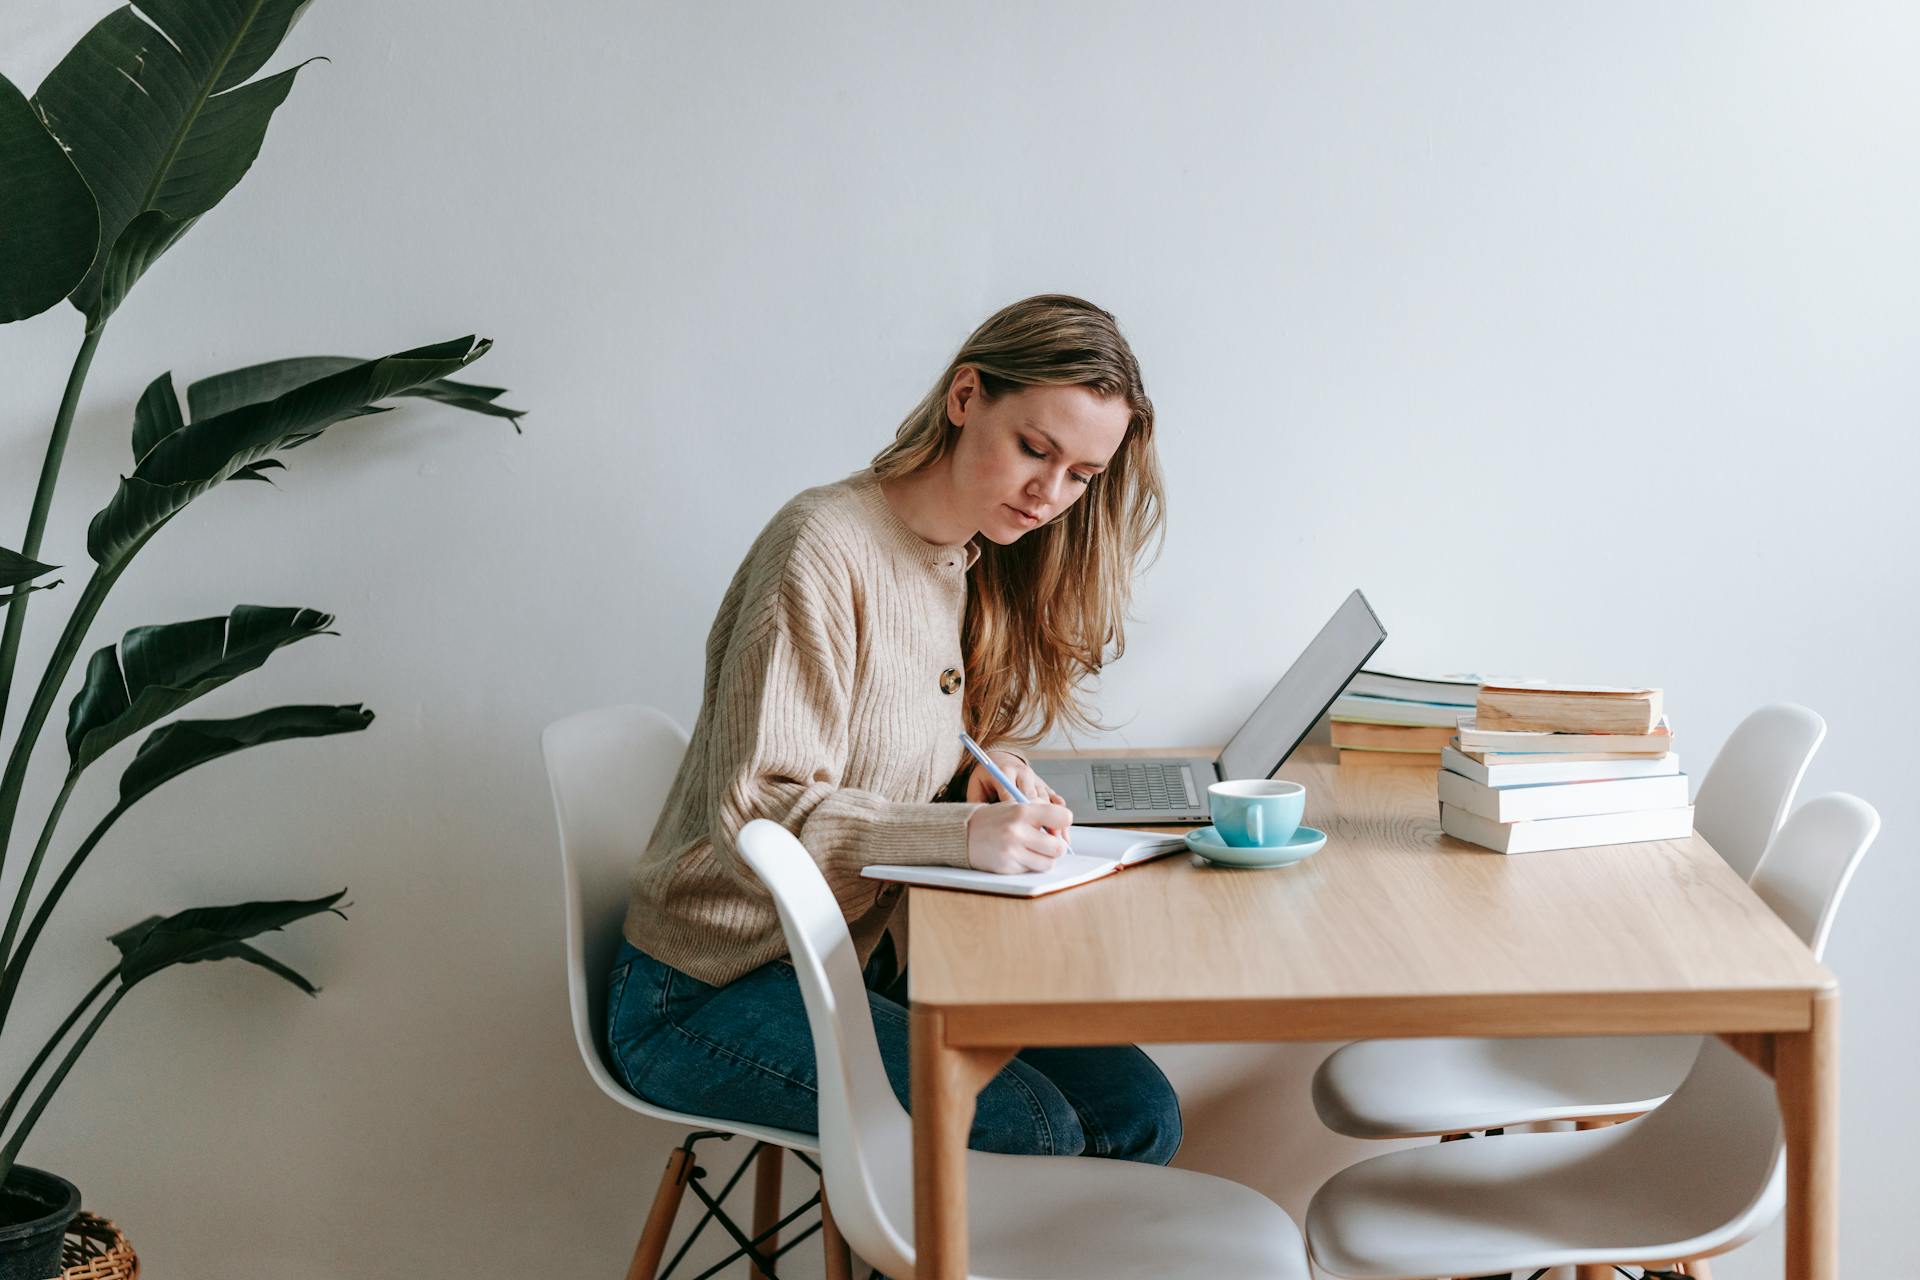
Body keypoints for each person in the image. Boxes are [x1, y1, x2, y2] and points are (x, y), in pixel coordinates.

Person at [607, 293, 1178, 1164]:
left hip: (850, 961)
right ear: (965, 397)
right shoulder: (822, 548)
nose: (1050, 494)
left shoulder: (961, 558)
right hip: (706, 987)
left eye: (1082, 475)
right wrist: (959, 833)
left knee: (1138, 1110)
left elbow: (884, 744)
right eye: (1035, 448)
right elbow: (757, 811)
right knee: (1028, 1126)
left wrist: (977, 779)